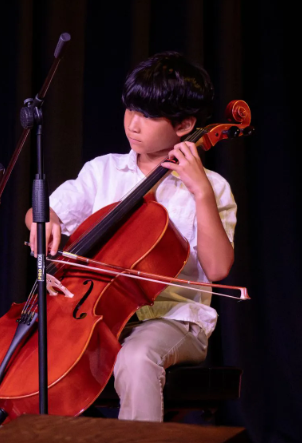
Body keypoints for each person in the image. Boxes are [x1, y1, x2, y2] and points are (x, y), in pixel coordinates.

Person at [24, 51, 237, 422]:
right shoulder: (102, 171)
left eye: (149, 116)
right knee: (17, 360)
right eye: (130, 110)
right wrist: (44, 224)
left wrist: (200, 191)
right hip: (99, 317)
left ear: (185, 125)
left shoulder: (212, 187)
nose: (133, 124)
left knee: (136, 357)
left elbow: (218, 269)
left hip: (176, 320)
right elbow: (44, 212)